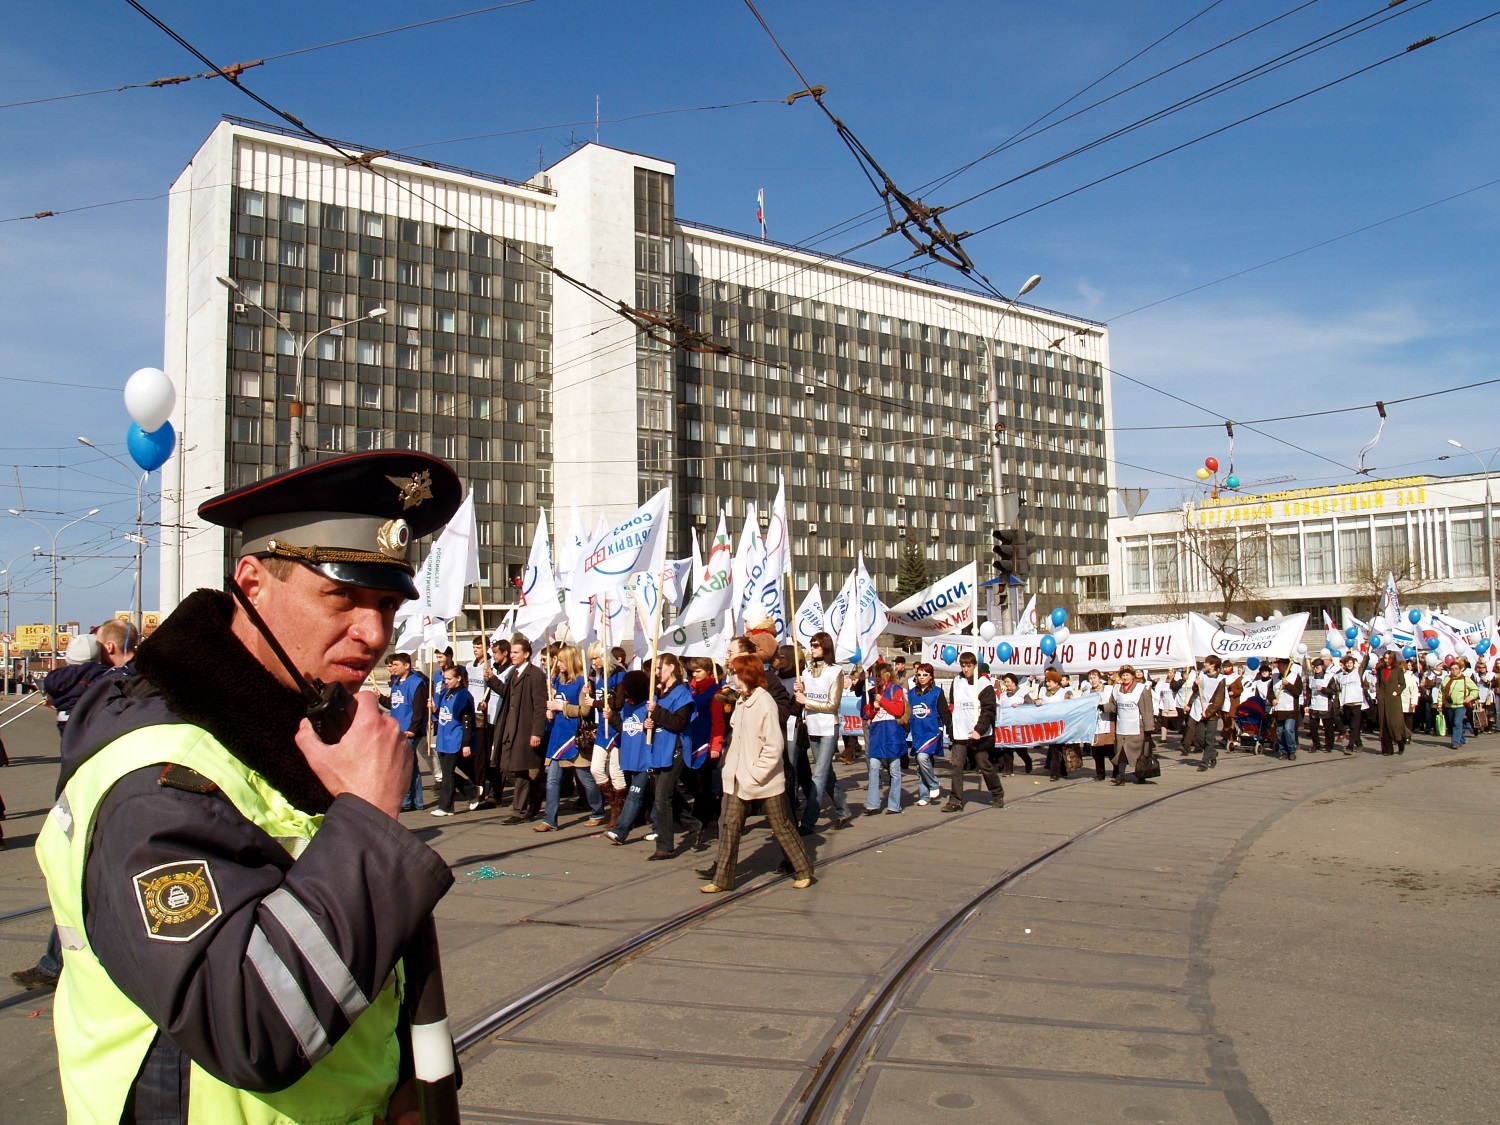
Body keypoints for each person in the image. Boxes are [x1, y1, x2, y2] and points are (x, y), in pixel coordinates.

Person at [34, 449, 462, 1123]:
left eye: (386, 603)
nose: (374, 633)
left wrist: (400, 1082)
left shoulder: (297, 720)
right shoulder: (160, 774)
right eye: (341, 595)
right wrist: (368, 825)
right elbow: (247, 1021)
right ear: (253, 582)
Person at [701, 654, 814, 893]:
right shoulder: (741, 700)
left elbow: (774, 745)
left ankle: (803, 869)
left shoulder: (764, 702)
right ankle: (722, 878)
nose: (733, 677)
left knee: (781, 825)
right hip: (737, 777)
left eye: (736, 673)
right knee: (731, 826)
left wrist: (757, 773)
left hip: (764, 779)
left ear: (747, 675)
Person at [537, 645, 606, 831]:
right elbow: (554, 704)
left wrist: (561, 708)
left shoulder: (583, 682)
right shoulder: (557, 681)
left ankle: (598, 810)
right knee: (552, 779)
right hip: (558, 737)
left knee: (585, 778)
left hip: (575, 737)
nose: (557, 664)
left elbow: (584, 711)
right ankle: (549, 820)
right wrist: (550, 711)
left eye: (560, 660)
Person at [639, 653, 701, 859]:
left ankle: (664, 846)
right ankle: (693, 824)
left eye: (659, 668)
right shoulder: (658, 693)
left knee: (662, 795)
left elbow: (678, 723)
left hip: (676, 747)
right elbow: (658, 719)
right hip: (660, 746)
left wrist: (656, 713)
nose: (656, 673)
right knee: (662, 792)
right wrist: (648, 723)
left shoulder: (682, 693)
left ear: (672, 668)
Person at [794, 631, 854, 832]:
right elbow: (803, 698)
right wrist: (800, 691)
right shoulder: (805, 672)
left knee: (818, 775)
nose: (812, 648)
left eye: (817, 645)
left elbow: (832, 704)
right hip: (812, 727)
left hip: (829, 727)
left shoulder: (835, 671)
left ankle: (809, 821)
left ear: (826, 647)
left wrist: (806, 701)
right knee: (827, 774)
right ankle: (843, 810)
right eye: (811, 644)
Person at [493, 634, 548, 823]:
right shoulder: (512, 672)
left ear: (526, 654)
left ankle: (519, 811)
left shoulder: (535, 675)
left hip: (524, 730)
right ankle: (535, 792)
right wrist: (491, 680)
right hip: (509, 728)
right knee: (504, 766)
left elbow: (540, 705)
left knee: (520, 769)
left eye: (516, 652)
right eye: (512, 652)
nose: (513, 655)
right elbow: (507, 694)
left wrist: (537, 732)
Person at [942, 652, 1002, 811]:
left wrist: (979, 729)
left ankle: (997, 793)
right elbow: (953, 705)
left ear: (975, 665)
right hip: (960, 732)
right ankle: (955, 800)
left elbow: (989, 710)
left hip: (978, 734)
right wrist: (951, 727)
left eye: (969, 665)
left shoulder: (984, 684)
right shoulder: (957, 681)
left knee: (984, 764)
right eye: (963, 665)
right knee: (956, 765)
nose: (966, 669)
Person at [379, 653, 429, 811]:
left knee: (402, 766)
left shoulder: (416, 683)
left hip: (409, 730)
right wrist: (380, 698)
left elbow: (418, 709)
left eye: (395, 665)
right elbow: (395, 704)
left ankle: (406, 801)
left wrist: (413, 729)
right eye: (391, 665)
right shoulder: (395, 683)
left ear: (406, 666)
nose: (392, 668)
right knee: (411, 766)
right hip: (398, 729)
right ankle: (417, 801)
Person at [429, 664, 479, 816]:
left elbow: (467, 721)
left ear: (458, 679)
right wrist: (435, 710)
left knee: (448, 772)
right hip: (445, 737)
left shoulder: (463, 696)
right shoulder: (447, 693)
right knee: (446, 771)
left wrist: (466, 743)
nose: (446, 682)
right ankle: (471, 791)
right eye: (445, 679)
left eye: (449, 679)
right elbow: (445, 716)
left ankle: (445, 806)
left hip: (455, 738)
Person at [863, 663, 909, 814]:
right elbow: (866, 715)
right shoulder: (871, 692)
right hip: (877, 733)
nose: (877, 679)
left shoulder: (896, 689)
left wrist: (882, 701)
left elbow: (898, 709)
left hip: (892, 732)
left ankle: (894, 805)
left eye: (879, 676)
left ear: (887, 675)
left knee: (894, 769)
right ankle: (872, 804)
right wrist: (874, 708)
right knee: (874, 767)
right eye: (875, 676)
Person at [906, 662, 951, 804]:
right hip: (918, 733)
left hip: (932, 732)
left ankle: (933, 784)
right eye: (919, 675)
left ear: (931, 676)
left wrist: (949, 728)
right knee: (921, 765)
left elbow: (944, 712)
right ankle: (924, 795)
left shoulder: (937, 692)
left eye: (925, 675)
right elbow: (908, 714)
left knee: (922, 758)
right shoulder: (912, 693)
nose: (922, 677)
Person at [1107, 665, 1155, 784]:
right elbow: (1113, 706)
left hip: (1136, 728)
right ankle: (1121, 776)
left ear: (1132, 676)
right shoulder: (1116, 688)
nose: (1125, 677)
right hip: (1122, 727)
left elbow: (1147, 709)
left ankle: (1141, 775)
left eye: (1127, 675)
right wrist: (1100, 706)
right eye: (1123, 675)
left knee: (1138, 753)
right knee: (1121, 752)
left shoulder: (1140, 689)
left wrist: (1149, 727)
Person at [1183, 658, 1226, 770]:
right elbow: (1196, 691)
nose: (1205, 664)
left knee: (1209, 737)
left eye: (1207, 662)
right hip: (1199, 709)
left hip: (1211, 713)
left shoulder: (1221, 679)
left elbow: (1218, 700)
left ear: (1213, 665)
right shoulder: (1202, 674)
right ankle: (1212, 753)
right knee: (1200, 737)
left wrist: (1208, 712)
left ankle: (1204, 763)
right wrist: (1195, 684)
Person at [994, 672, 1036, 776]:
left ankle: (1027, 761)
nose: (1006, 684)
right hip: (1007, 726)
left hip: (1019, 725)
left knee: (1019, 748)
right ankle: (1009, 770)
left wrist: (1020, 707)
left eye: (1008, 682)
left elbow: (1030, 707)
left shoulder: (1023, 693)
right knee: (1007, 748)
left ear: (1014, 682)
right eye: (1005, 682)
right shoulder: (1003, 696)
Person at [1370, 649, 1408, 756]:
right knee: (1384, 724)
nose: (1386, 660)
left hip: (1394, 699)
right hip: (1383, 699)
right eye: (1385, 658)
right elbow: (1379, 683)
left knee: (1395, 723)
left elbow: (1403, 684)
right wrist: (1378, 694)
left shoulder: (1398, 670)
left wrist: (1397, 691)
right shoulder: (1381, 669)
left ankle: (1400, 741)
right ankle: (1387, 749)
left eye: (1389, 658)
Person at [1332, 652, 1368, 754]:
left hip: (1356, 703)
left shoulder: (1358, 672)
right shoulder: (1341, 676)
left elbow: (1365, 663)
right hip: (1346, 704)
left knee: (1354, 726)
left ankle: (1350, 747)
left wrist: (1367, 652)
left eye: (1350, 662)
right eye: (1347, 663)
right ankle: (1359, 743)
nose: (1349, 665)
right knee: (1352, 726)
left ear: (1354, 663)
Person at [1082, 669, 1114, 780]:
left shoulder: (1108, 689)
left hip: (1107, 721)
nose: (1092, 680)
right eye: (1090, 678)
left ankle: (1117, 769)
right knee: (1097, 751)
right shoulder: (1087, 692)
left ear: (1099, 678)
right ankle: (1100, 773)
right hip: (1094, 724)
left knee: (1110, 749)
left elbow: (1112, 704)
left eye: (1094, 677)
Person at [1442, 660, 1478, 750]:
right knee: (1452, 723)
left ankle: (1455, 743)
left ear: (1459, 669)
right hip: (1449, 705)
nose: (1454, 670)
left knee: (1457, 723)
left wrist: (1470, 697)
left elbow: (1475, 689)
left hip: (1461, 705)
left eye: (1456, 669)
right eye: (1452, 669)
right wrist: (1439, 703)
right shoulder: (1447, 679)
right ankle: (1461, 739)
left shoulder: (1465, 679)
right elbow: (1441, 692)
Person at [1270, 658, 1301, 760]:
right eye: (1277, 664)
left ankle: (1292, 750)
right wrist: (1272, 700)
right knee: (1280, 731)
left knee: (1288, 730)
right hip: (1279, 709)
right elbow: (1270, 692)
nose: (1278, 666)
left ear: (1287, 666)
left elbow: (1297, 692)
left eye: (1281, 664)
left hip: (1290, 709)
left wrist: (1287, 685)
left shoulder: (1295, 677)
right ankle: (1283, 751)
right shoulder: (1274, 678)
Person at [1305, 657, 1336, 752]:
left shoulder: (1329, 677)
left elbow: (1333, 691)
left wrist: (1323, 689)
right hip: (1314, 705)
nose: (1315, 669)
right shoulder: (1311, 677)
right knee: (1313, 727)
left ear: (1322, 666)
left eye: (1317, 667)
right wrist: (1307, 704)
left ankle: (1329, 745)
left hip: (1325, 705)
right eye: (1314, 667)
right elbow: (1309, 692)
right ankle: (1316, 744)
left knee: (1328, 727)